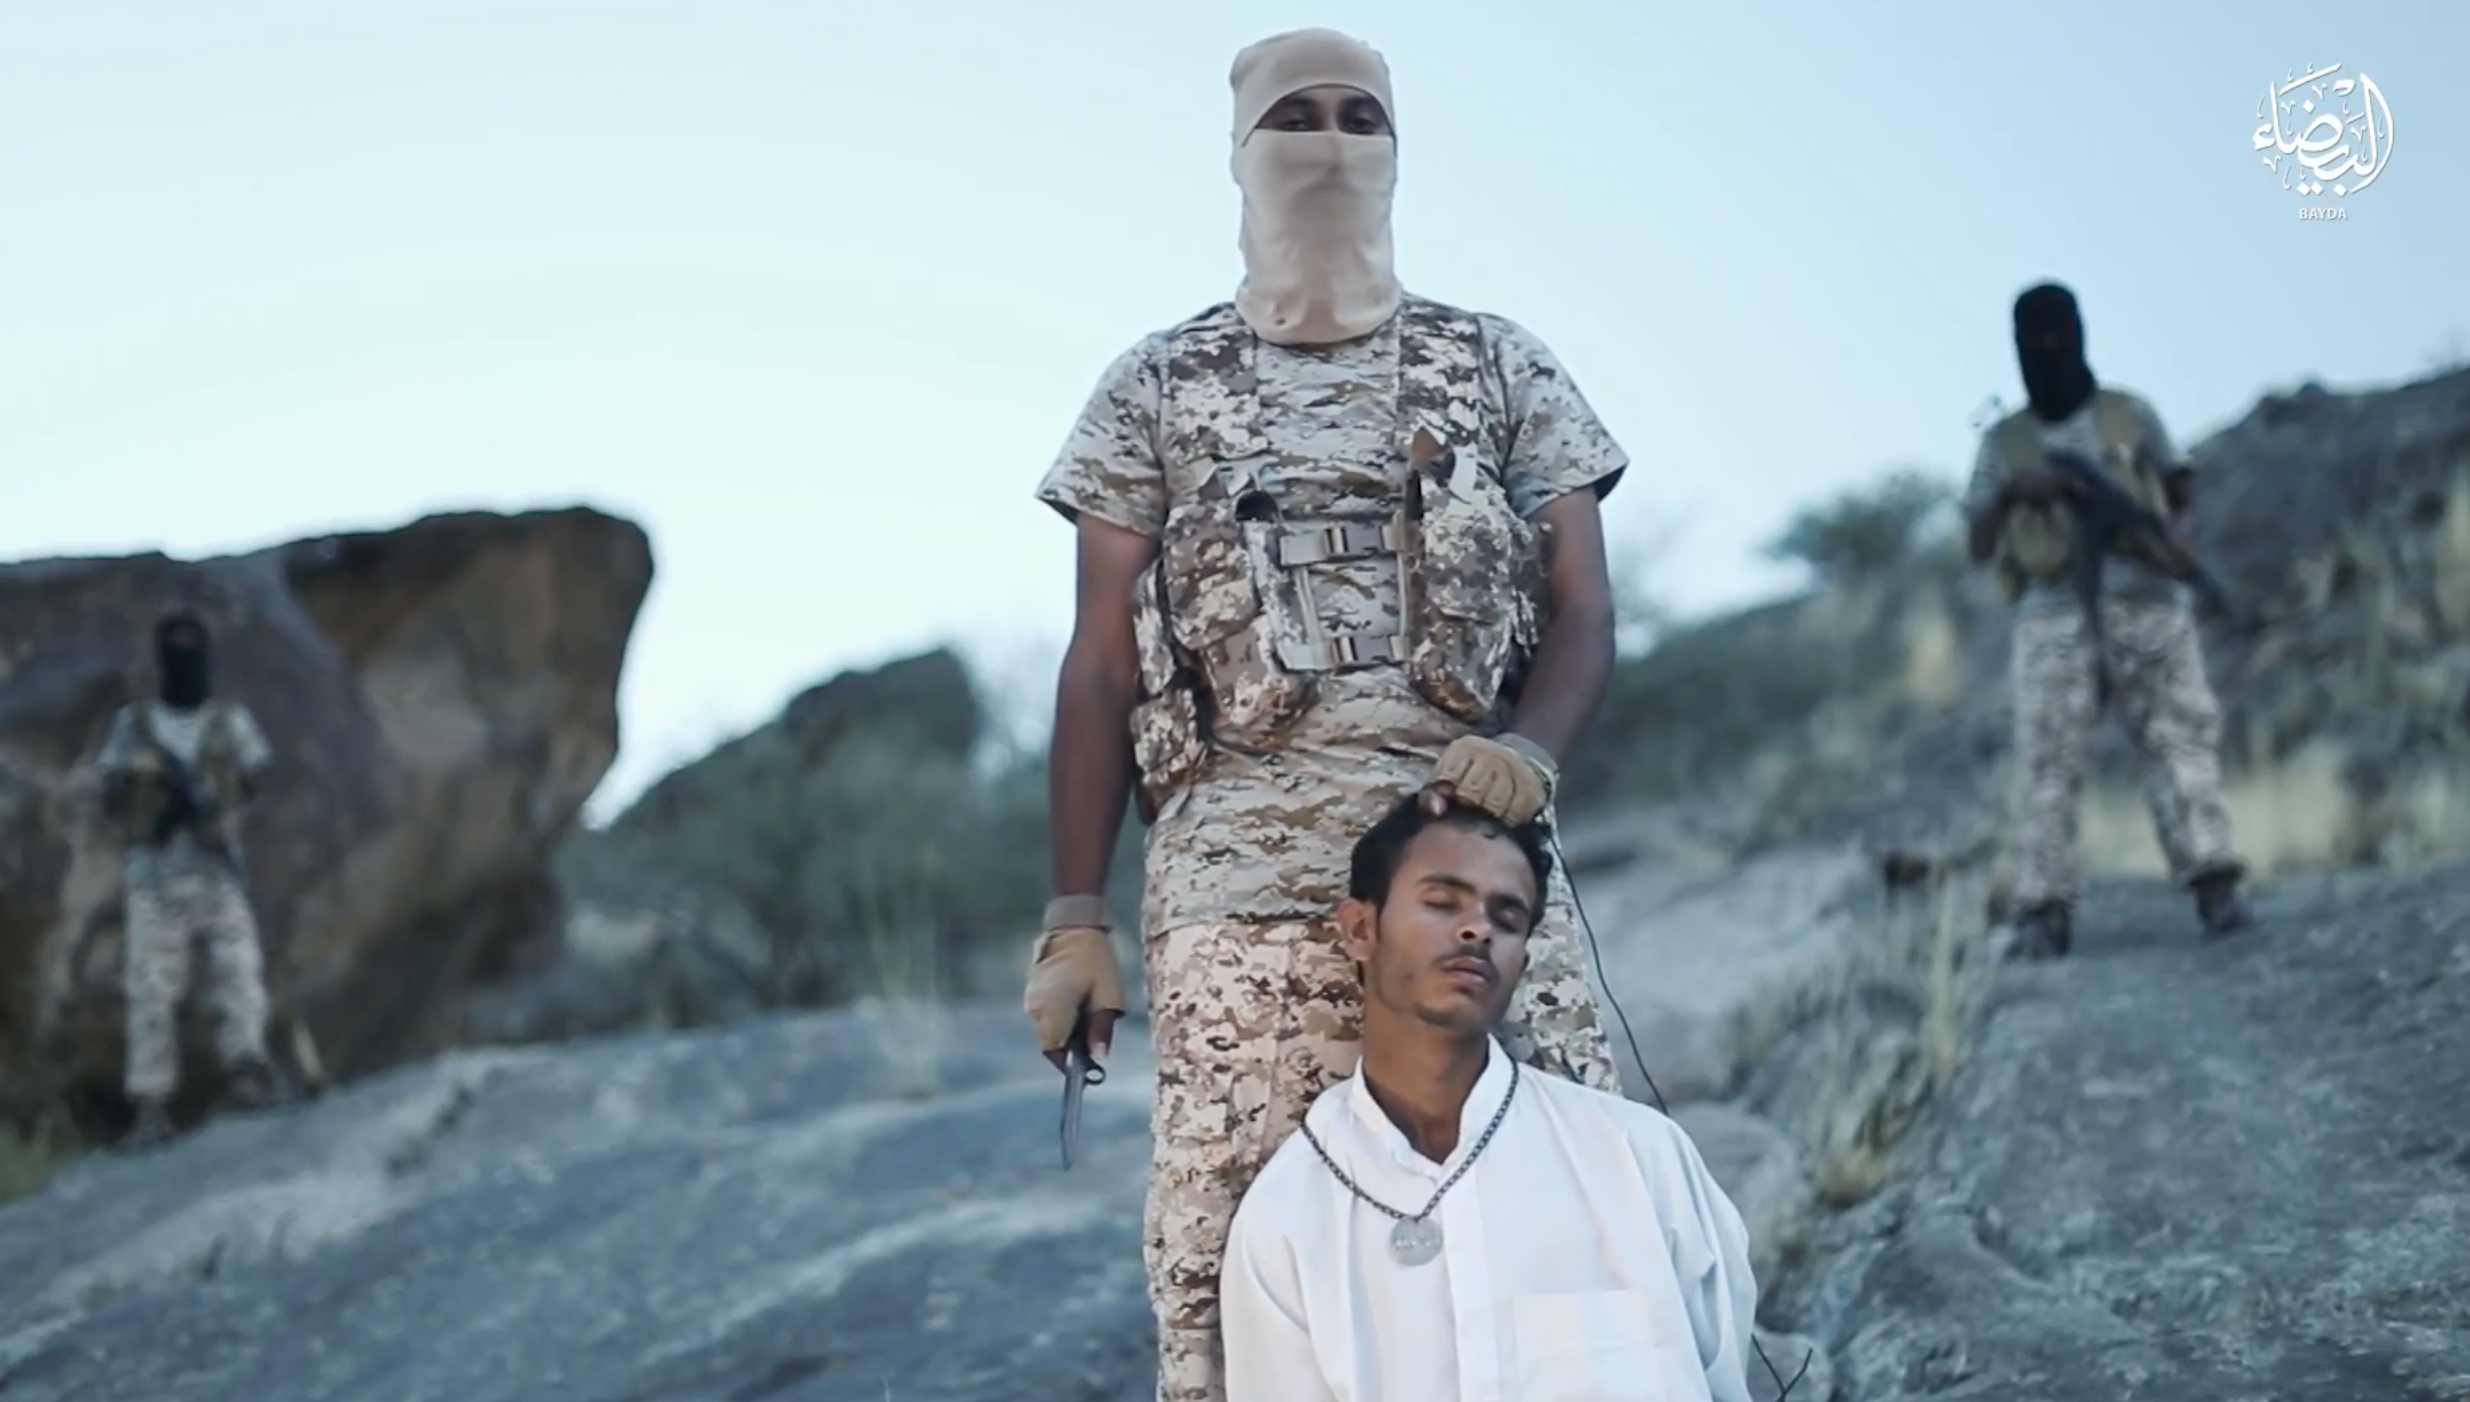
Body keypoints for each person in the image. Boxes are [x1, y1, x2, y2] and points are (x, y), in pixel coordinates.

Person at [1020, 26, 1634, 1402]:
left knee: (1565, 1219)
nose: (1332, 144)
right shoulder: (1155, 384)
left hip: (1467, 858)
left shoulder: (1497, 364)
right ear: (1241, 151)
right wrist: (1074, 916)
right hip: (1235, 888)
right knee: (1232, 1263)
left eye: (1363, 118)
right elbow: (1099, 664)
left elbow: (1584, 608)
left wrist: (1527, 752)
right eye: (1297, 117)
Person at [1219, 794, 1758, 1402]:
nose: (1477, 929)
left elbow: (1724, 1377)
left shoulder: (1639, 1157)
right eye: (1442, 902)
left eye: (1506, 916)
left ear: (1521, 964)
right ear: (1361, 930)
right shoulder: (1288, 1215)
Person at [1962, 281, 2252, 958]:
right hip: (2052, 613)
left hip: (2144, 600)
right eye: (2034, 341)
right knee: (2046, 762)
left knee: (2179, 742)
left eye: (2058, 336)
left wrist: (2176, 540)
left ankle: (2215, 883)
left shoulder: (2129, 414)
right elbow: (1977, 543)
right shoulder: (2006, 442)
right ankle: (2043, 911)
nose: (2048, 350)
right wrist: (2014, 491)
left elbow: (2181, 491)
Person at [93, 608, 284, 1148]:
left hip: (217, 872)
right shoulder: (134, 726)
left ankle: (246, 1073)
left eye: (190, 646)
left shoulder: (230, 722)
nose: (184, 657)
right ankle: (151, 1108)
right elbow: (108, 796)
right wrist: (147, 794)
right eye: (174, 646)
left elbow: (257, 787)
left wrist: (225, 821)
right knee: (150, 992)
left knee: (239, 974)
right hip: (154, 878)